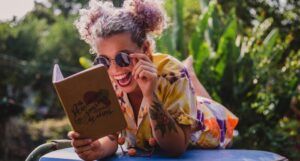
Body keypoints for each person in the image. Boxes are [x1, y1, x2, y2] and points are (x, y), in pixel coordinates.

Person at [67, 0, 238, 160]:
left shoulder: (173, 75)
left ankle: (191, 76)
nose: (115, 70)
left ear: (146, 48)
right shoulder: (107, 79)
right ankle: (191, 79)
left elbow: (176, 148)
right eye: (103, 61)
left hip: (209, 124)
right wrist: (97, 148)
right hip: (175, 103)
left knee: (205, 104)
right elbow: (113, 138)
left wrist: (150, 95)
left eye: (123, 58)